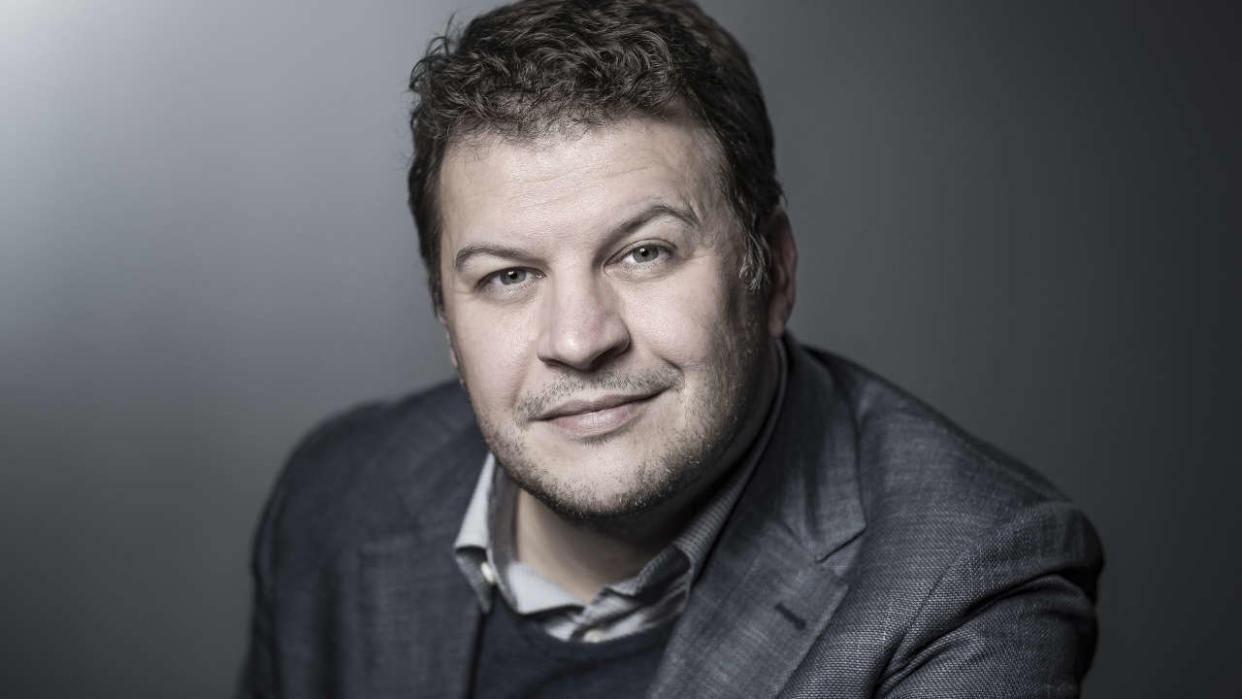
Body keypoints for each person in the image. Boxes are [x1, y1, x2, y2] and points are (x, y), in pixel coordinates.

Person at [238, 0, 1103, 696]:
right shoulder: (333, 497)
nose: (579, 340)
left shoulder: (968, 580)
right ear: (445, 315)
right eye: (508, 276)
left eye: (643, 253)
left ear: (774, 273)